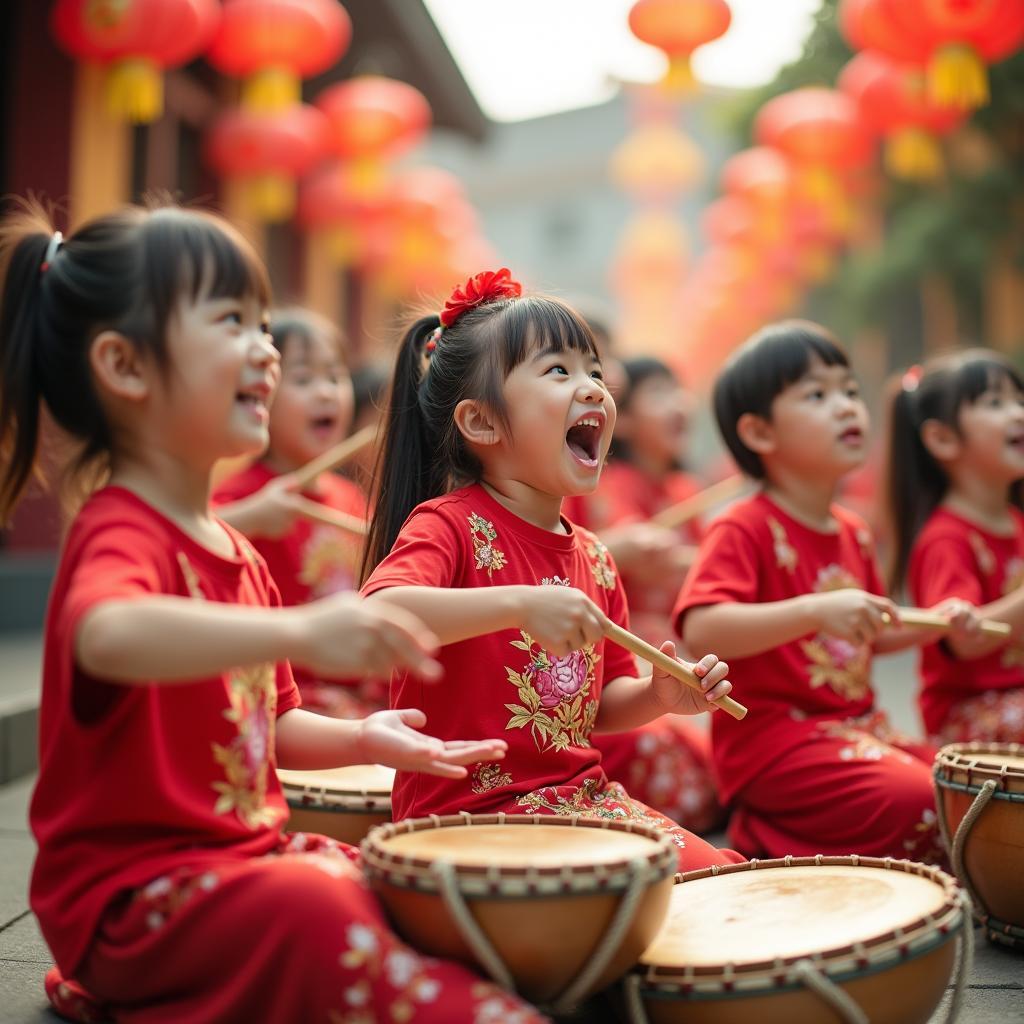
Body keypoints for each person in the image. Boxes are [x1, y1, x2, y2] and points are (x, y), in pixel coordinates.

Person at [0, 201, 542, 1024]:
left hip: (240, 862)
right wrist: (300, 629)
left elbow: (277, 726)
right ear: (124, 365)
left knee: (394, 884)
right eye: (231, 322)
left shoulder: (236, 552)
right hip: (133, 900)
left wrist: (367, 739)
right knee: (320, 910)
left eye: (263, 325)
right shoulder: (120, 529)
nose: (265, 351)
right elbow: (105, 633)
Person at [359, 267, 743, 873]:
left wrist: (656, 694)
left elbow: (598, 705)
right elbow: (379, 613)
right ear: (482, 423)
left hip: (576, 804)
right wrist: (520, 603)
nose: (593, 386)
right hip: (470, 819)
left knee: (723, 878)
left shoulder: (592, 553)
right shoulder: (447, 524)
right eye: (559, 371)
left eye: (593, 370)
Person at [675, 321, 969, 863]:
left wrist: (940, 619)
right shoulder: (744, 526)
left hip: (857, 729)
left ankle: (804, 832)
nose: (845, 406)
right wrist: (813, 611)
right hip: (775, 744)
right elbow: (701, 627)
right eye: (818, 394)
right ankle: (769, 830)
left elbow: (872, 633)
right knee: (923, 802)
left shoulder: (852, 529)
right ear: (761, 434)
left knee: (964, 785)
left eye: (850, 391)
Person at [214, 308, 380, 719]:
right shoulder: (239, 494)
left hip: (355, 697)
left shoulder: (352, 498)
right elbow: (186, 543)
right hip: (282, 698)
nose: (325, 393)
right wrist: (253, 516)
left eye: (335, 376)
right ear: (260, 393)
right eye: (304, 379)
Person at [580, 356, 722, 832]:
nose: (680, 404)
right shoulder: (607, 484)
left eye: (678, 390)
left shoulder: (685, 488)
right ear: (628, 417)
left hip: (678, 650)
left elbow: (700, 576)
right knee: (667, 749)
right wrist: (620, 549)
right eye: (659, 392)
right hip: (627, 653)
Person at [885, 349, 1024, 743]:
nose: (1017, 413)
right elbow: (964, 640)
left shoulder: (1016, 521)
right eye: (996, 403)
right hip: (970, 714)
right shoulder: (946, 537)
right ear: (942, 438)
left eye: (1019, 400)